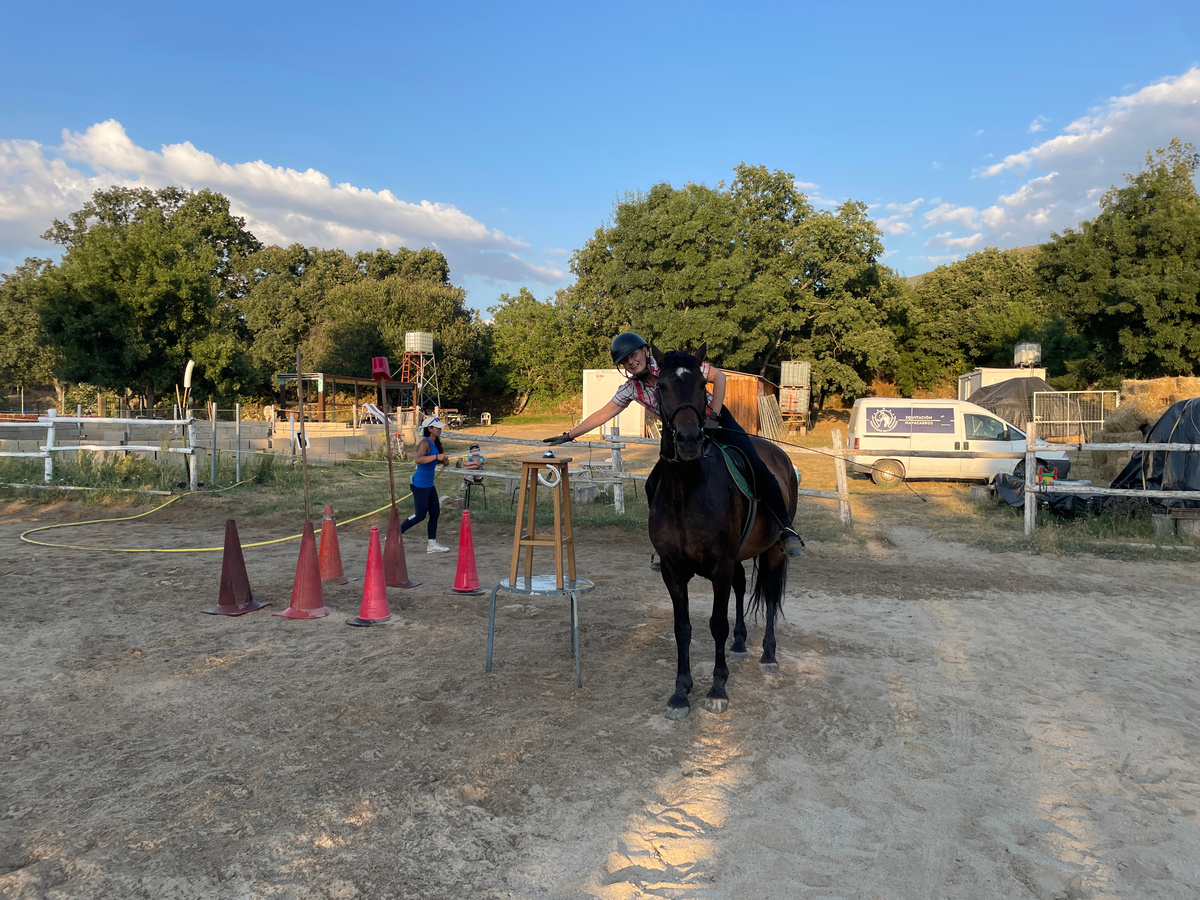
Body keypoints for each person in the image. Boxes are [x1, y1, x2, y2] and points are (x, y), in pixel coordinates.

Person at [544, 331, 803, 557]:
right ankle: (667, 543)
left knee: (756, 465)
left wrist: (713, 413)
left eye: (634, 355)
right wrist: (570, 434)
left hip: (714, 421)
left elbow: (720, 378)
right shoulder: (631, 389)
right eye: (624, 360)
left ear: (646, 352)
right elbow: (603, 413)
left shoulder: (675, 366)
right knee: (652, 484)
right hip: (681, 435)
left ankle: (785, 527)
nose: (631, 362)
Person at [402, 415, 450, 553]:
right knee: (420, 515)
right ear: (429, 429)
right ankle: (396, 533)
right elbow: (418, 460)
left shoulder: (435, 444)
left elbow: (433, 460)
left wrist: (443, 460)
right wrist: (436, 457)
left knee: (435, 513)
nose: (440, 430)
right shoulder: (425, 443)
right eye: (437, 428)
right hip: (420, 485)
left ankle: (432, 544)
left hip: (429, 485)